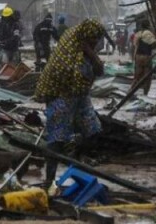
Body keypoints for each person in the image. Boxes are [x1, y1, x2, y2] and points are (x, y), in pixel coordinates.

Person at [34, 18, 106, 190]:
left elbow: (95, 73)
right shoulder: (72, 52)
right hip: (61, 95)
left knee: (93, 130)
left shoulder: (78, 41)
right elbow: (85, 76)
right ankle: (49, 179)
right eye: (94, 39)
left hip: (79, 95)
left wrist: (91, 54)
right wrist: (93, 58)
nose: (96, 43)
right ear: (87, 36)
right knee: (57, 137)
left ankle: (78, 168)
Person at [132, 20, 156, 95]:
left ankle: (131, 92)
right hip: (146, 57)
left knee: (137, 77)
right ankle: (145, 94)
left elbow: (135, 45)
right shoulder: (148, 33)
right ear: (148, 26)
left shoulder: (138, 34)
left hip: (138, 57)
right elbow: (154, 45)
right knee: (147, 77)